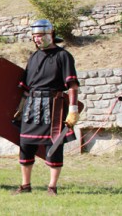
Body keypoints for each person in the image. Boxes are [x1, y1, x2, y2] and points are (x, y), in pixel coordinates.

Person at [13, 19, 79, 196]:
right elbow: (26, 88)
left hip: (54, 106)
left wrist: (73, 110)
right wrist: (20, 109)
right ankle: (25, 185)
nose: (37, 39)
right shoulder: (33, 57)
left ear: (50, 34)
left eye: (40, 36)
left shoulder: (63, 56)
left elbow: (72, 85)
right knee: (26, 144)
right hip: (32, 106)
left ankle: (52, 187)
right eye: (34, 36)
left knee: (54, 146)